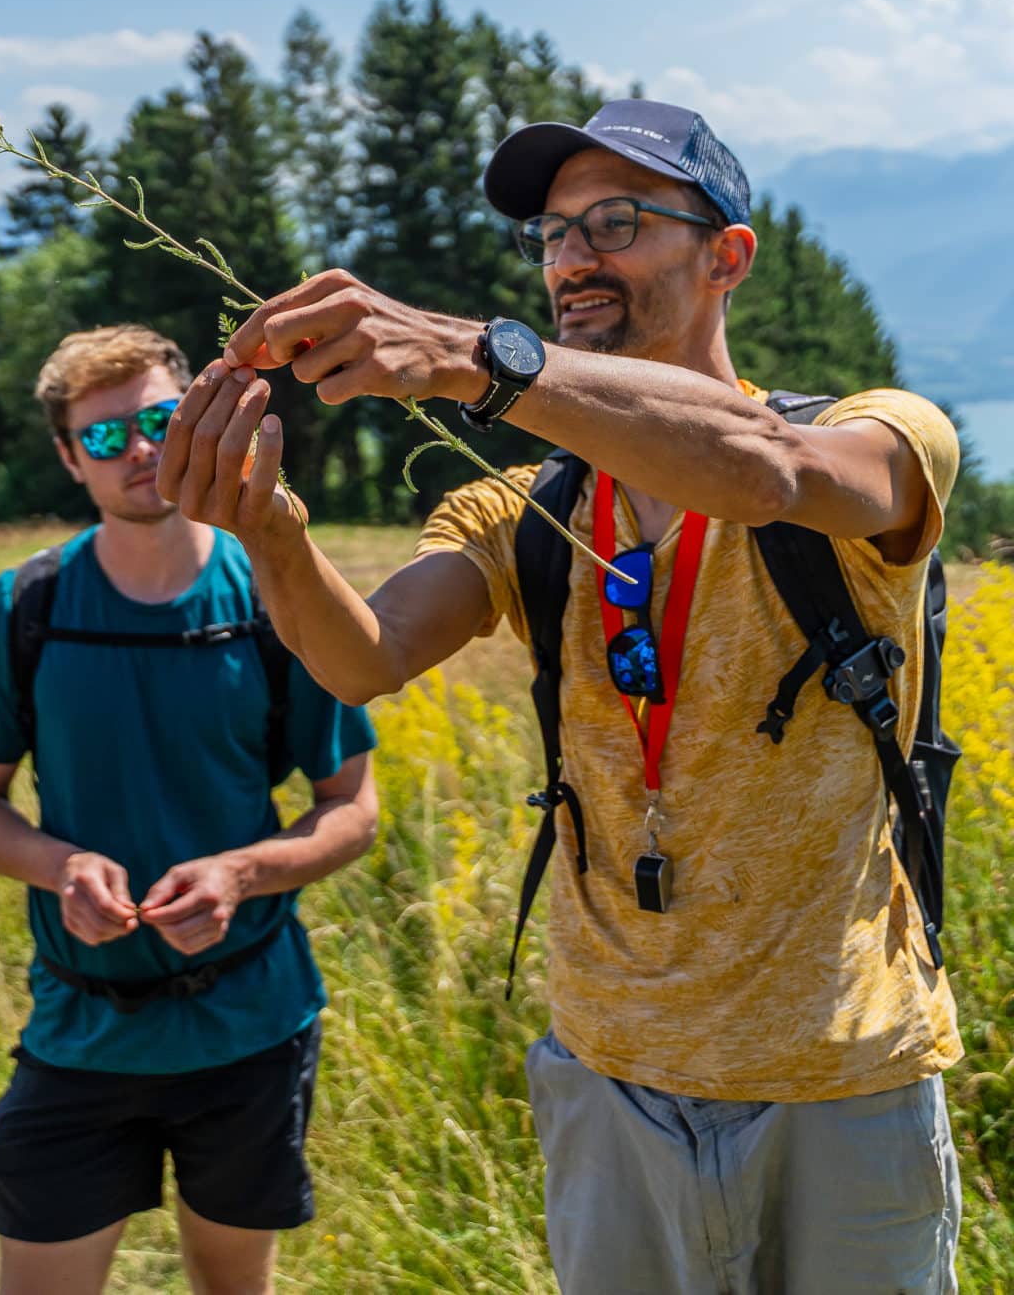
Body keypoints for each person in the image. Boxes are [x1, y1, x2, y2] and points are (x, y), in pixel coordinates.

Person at [159, 98, 963, 1293]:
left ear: (726, 255)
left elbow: (769, 471)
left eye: (617, 222)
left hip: (838, 1076)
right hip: (605, 1073)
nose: (571, 259)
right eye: (551, 234)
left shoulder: (879, 434)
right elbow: (365, 655)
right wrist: (270, 536)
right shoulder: (524, 509)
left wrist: (481, 361)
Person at [0, 326, 381, 1295]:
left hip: (250, 1023)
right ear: (66, 457)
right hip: (79, 1030)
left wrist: (240, 872)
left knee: (232, 1284)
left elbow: (351, 806)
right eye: (103, 437)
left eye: (157, 420)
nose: (138, 450)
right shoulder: (25, 605)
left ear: (193, 420)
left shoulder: (274, 594)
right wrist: (57, 865)